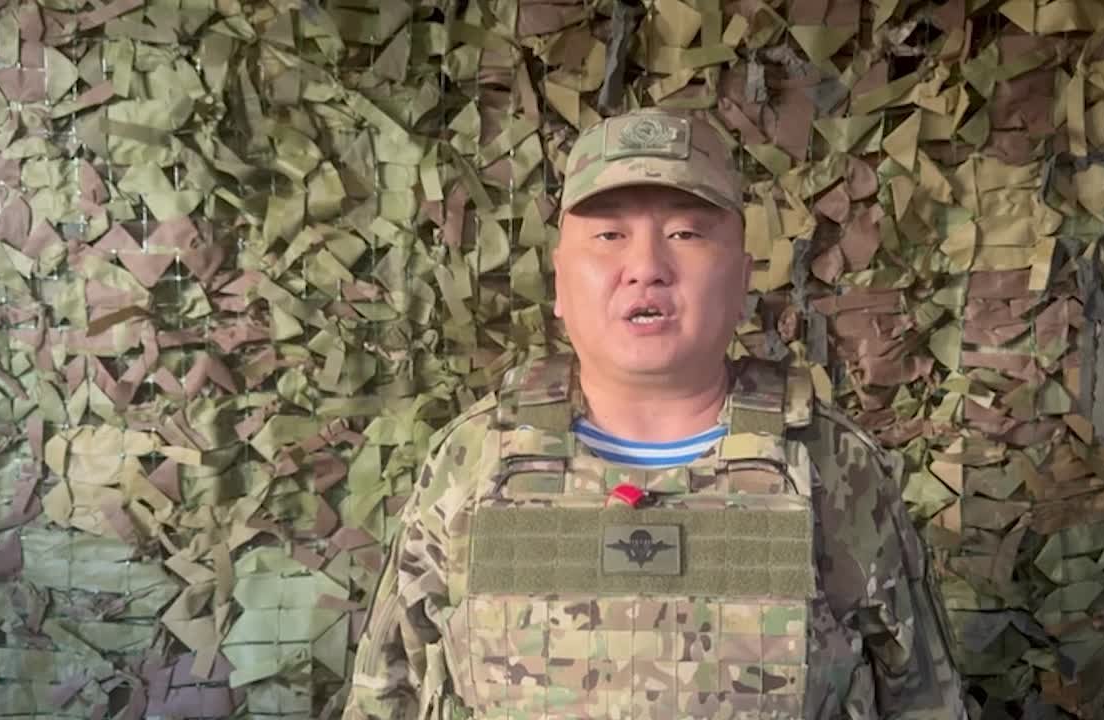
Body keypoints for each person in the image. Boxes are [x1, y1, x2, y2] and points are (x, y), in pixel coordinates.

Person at [343, 108, 967, 719]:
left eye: (686, 234)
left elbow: (925, 700)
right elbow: (385, 695)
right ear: (559, 282)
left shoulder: (832, 465)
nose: (645, 268)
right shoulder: (472, 461)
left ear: (742, 280)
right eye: (609, 236)